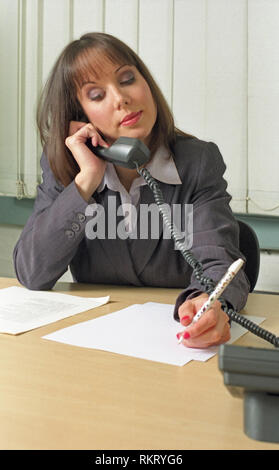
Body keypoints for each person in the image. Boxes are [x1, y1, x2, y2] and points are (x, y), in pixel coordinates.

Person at [13, 32, 250, 349]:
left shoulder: (197, 162)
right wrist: (87, 181)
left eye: (127, 79)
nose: (120, 98)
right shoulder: (68, 168)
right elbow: (32, 272)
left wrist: (208, 302)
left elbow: (219, 265)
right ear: (80, 117)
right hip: (94, 344)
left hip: (171, 343)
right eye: (97, 95)